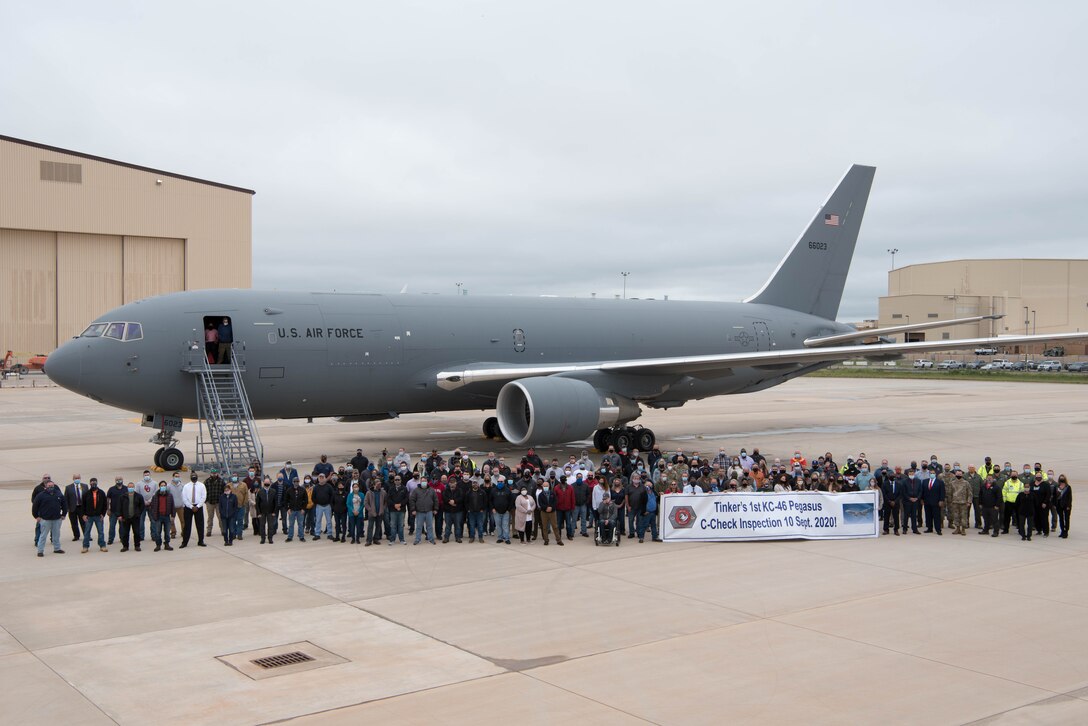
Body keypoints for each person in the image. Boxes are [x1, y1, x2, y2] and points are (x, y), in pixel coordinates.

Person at [33, 478, 67, 557]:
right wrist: (36, 516)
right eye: (49, 486)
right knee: (43, 535)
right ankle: (40, 551)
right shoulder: (40, 495)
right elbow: (35, 506)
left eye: (52, 486)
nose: (51, 487)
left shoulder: (58, 494)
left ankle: (57, 548)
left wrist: (64, 514)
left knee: (56, 535)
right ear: (45, 486)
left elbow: (64, 504)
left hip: (57, 519)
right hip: (45, 520)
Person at [79, 477, 108, 553]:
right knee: (87, 532)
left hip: (99, 516)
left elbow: (105, 505)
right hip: (89, 516)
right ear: (90, 483)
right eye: (92, 483)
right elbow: (83, 506)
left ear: (97, 483)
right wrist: (83, 515)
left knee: (101, 532)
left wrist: (103, 514)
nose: (93, 484)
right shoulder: (86, 494)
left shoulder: (101, 493)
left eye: (94, 482)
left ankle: (102, 545)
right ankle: (85, 546)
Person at [181, 474, 208, 548]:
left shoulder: (201, 485)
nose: (194, 478)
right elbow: (184, 497)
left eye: (195, 477)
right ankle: (185, 542)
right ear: (190, 478)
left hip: (199, 507)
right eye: (192, 477)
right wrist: (191, 506)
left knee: (200, 525)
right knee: (187, 526)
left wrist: (198, 506)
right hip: (188, 507)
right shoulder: (186, 486)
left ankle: (201, 541)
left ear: (197, 477)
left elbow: (204, 496)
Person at [117, 481, 145, 552]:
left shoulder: (138, 496)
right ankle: (125, 546)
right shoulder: (123, 497)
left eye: (132, 487)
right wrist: (120, 515)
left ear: (134, 487)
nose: (131, 488)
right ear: (127, 488)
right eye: (129, 487)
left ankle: (137, 546)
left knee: (136, 532)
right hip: (125, 518)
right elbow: (119, 507)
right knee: (125, 533)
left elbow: (142, 506)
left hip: (135, 518)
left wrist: (138, 513)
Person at [149, 480, 175, 551]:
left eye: (164, 486)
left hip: (167, 516)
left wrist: (173, 516)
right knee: (158, 532)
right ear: (159, 487)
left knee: (167, 532)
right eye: (161, 486)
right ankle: (158, 545)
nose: (163, 487)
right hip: (158, 517)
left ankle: (167, 544)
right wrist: (154, 516)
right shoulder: (155, 496)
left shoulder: (170, 495)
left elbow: (172, 506)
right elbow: (152, 507)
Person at [410, 479, 437, 545]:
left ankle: (431, 539)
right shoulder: (416, 490)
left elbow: (435, 500)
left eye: (425, 481)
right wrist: (413, 509)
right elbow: (412, 500)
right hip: (419, 511)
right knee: (419, 526)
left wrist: (435, 509)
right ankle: (417, 539)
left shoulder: (431, 490)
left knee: (430, 526)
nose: (424, 482)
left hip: (429, 511)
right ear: (420, 482)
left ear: (427, 482)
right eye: (422, 481)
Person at [536, 478, 561, 545]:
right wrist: (546, 508)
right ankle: (546, 540)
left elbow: (555, 501)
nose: (545, 487)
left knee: (555, 526)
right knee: (545, 527)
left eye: (547, 486)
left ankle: (558, 540)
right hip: (544, 512)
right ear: (542, 487)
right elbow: (540, 503)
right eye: (544, 486)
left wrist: (551, 508)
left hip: (552, 512)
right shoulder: (540, 495)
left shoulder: (552, 493)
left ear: (549, 486)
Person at [64, 474, 88, 542]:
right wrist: (67, 508)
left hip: (82, 508)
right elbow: (66, 499)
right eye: (75, 478)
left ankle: (86, 535)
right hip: (72, 508)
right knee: (74, 523)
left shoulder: (85, 486)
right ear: (73, 479)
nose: (77, 479)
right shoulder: (68, 487)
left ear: (80, 478)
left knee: (84, 522)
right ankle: (76, 536)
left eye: (78, 478)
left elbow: (87, 497)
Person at [947, 468, 971, 536]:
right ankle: (957, 528)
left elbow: (969, 493)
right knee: (956, 516)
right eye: (957, 474)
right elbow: (950, 493)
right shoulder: (952, 483)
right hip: (955, 502)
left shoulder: (966, 483)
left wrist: (969, 501)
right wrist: (950, 501)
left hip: (963, 502)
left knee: (964, 516)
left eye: (960, 474)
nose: (958, 475)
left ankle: (963, 529)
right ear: (955, 475)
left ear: (962, 475)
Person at [490, 476, 513, 544]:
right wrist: (493, 508)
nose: (500, 483)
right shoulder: (493, 490)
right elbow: (490, 500)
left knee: (505, 525)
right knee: (498, 525)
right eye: (498, 481)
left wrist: (508, 509)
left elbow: (511, 501)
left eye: (501, 481)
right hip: (496, 512)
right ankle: (500, 537)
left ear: (504, 482)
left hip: (506, 511)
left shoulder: (508, 490)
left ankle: (506, 538)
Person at [255, 478, 278, 544]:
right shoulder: (260, 492)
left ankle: (270, 538)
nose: (267, 484)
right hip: (262, 512)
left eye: (268, 483)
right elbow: (257, 503)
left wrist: (274, 512)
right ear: (263, 483)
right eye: (265, 483)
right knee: (262, 526)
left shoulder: (273, 491)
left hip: (271, 512)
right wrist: (258, 513)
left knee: (270, 526)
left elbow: (276, 502)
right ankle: (263, 539)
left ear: (270, 483)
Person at [285, 477, 308, 542]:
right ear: (293, 482)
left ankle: (301, 537)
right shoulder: (289, 490)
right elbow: (285, 500)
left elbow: (306, 500)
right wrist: (288, 509)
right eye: (295, 481)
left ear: (299, 482)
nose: (296, 483)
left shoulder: (303, 490)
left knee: (300, 524)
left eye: (297, 481)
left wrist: (303, 509)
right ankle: (290, 537)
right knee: (291, 524)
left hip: (300, 510)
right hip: (291, 510)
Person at [311, 474, 334, 540]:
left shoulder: (329, 486)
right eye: (320, 477)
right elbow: (313, 497)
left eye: (322, 477)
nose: (321, 478)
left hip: (327, 506)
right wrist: (317, 503)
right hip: (319, 506)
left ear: (325, 478)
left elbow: (332, 495)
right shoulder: (316, 487)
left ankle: (329, 534)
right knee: (318, 520)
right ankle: (317, 534)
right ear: (318, 478)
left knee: (329, 521)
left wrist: (330, 503)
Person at [387, 476, 408, 545]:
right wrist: (394, 505)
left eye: (398, 479)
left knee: (401, 525)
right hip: (393, 510)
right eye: (395, 479)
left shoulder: (404, 488)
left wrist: (400, 505)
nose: (397, 481)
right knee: (393, 525)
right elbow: (388, 499)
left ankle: (402, 539)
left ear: (401, 480)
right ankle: (392, 540)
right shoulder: (391, 489)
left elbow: (406, 498)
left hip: (401, 510)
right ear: (394, 480)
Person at [204, 470, 226, 537]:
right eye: (213, 473)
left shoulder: (221, 481)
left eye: (215, 473)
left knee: (220, 517)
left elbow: (225, 490)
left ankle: (223, 530)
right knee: (210, 517)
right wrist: (206, 500)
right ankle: (209, 530)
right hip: (210, 502)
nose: (214, 474)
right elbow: (203, 491)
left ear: (217, 473)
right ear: (210, 474)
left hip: (218, 502)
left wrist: (223, 501)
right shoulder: (206, 481)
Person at [364, 479, 385, 546]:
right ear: (374, 485)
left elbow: (385, 502)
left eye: (380, 484)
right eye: (378, 484)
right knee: (370, 526)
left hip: (380, 512)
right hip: (371, 513)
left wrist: (383, 509)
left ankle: (376, 539)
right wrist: (370, 510)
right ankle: (369, 540)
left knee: (378, 526)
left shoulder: (383, 492)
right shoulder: (369, 492)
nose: (380, 485)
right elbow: (366, 502)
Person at [218, 482, 239, 546]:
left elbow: (235, 506)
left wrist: (233, 514)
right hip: (223, 516)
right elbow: (220, 507)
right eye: (225, 490)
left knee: (231, 530)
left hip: (231, 516)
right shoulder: (221, 497)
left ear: (230, 490)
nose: (226, 491)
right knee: (224, 530)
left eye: (228, 490)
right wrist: (222, 514)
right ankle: (226, 541)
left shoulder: (234, 497)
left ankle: (230, 541)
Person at [106, 477, 125, 546]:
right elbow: (108, 499)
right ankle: (110, 539)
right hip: (113, 511)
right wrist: (108, 509)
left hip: (122, 512)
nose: (119, 481)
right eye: (117, 480)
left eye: (120, 480)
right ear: (115, 481)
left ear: (122, 480)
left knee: (122, 526)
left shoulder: (126, 489)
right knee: (112, 526)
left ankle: (122, 538)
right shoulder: (111, 489)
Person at [229, 474, 249, 541]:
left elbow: (246, 494)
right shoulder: (229, 485)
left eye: (235, 476)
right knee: (233, 521)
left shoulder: (243, 485)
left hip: (241, 506)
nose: (234, 477)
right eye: (233, 476)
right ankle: (234, 534)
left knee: (240, 520)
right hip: (232, 507)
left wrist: (244, 503)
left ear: (238, 477)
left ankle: (239, 534)